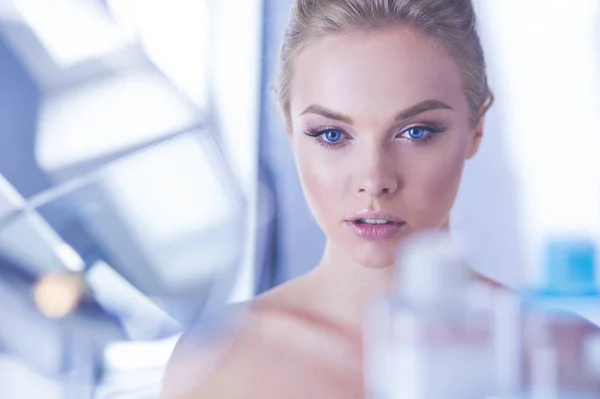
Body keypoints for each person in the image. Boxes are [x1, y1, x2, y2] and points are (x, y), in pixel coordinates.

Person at [160, 0, 519, 397]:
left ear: (477, 129)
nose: (374, 179)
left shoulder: (560, 356)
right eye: (332, 135)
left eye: (416, 132)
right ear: (289, 129)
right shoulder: (216, 361)